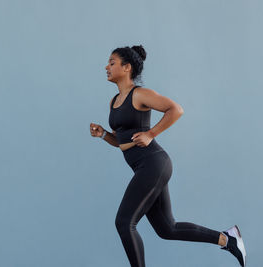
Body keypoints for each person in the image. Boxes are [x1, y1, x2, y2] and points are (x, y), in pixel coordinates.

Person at [89, 44, 246, 267]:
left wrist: (152, 133)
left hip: (153, 163)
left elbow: (176, 109)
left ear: (126, 67)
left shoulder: (141, 94)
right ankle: (228, 239)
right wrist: (104, 134)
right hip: (146, 166)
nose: (106, 66)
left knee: (125, 223)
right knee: (166, 228)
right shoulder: (114, 101)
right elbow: (121, 142)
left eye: (112, 63)